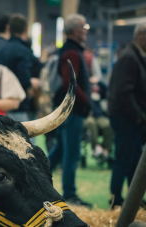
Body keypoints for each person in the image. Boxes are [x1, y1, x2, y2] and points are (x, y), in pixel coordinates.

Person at [47, 14, 92, 208]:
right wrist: (87, 102)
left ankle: (35, 178)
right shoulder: (72, 52)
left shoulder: (67, 50)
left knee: (61, 150)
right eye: (84, 27)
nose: (86, 31)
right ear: (75, 30)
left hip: (66, 110)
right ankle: (70, 193)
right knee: (70, 153)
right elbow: (69, 83)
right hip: (72, 111)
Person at [108, 23, 146, 208]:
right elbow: (123, 92)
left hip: (131, 118)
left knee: (134, 161)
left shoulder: (136, 57)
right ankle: (115, 199)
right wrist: (139, 116)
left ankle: (133, 200)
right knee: (125, 159)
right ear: (140, 35)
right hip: (126, 118)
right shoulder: (130, 58)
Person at [0, 14, 41, 122]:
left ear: (9, 28)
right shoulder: (24, 51)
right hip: (18, 107)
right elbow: (24, 79)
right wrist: (32, 83)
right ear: (26, 29)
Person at [83, 50, 113, 161]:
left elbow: (107, 92)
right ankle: (96, 147)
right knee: (91, 124)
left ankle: (106, 150)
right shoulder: (83, 83)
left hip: (99, 114)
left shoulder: (98, 86)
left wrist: (98, 82)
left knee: (107, 125)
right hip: (87, 115)